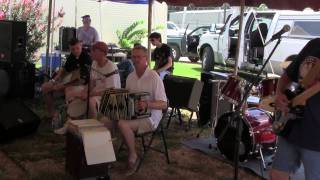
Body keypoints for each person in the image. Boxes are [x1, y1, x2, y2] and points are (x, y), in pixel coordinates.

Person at [270, 38, 320, 180]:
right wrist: (279, 94)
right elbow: (287, 76)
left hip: (316, 136)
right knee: (277, 175)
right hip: (291, 126)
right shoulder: (314, 45)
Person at [117, 45, 167, 175]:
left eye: (139, 57)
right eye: (133, 57)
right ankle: (106, 155)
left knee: (122, 124)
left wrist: (147, 104)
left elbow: (164, 104)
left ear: (146, 58)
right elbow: (128, 99)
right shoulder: (130, 77)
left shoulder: (154, 77)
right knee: (111, 117)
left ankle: (133, 156)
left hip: (151, 117)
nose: (135, 59)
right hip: (134, 113)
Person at [41, 38, 91, 120]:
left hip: (81, 85)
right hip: (67, 82)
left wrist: (62, 86)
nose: (75, 51)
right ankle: (52, 114)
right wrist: (54, 81)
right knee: (45, 87)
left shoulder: (86, 58)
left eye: (77, 48)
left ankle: (70, 118)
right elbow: (64, 69)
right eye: (72, 49)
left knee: (68, 90)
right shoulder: (72, 56)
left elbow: (81, 80)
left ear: (81, 46)